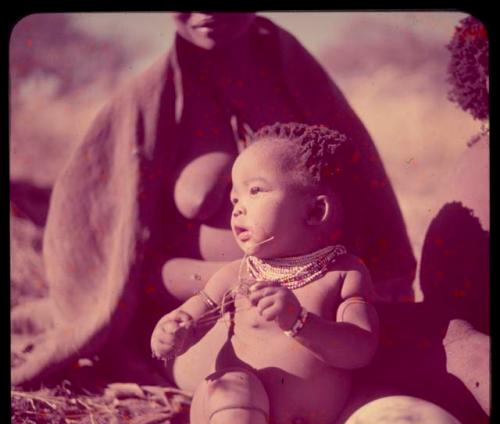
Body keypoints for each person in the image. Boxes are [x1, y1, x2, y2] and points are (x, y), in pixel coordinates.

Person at [11, 14, 416, 392]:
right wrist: (219, 294)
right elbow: (100, 221)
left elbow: (362, 187)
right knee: (234, 391)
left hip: (315, 298)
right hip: (203, 300)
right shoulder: (149, 100)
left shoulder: (296, 79)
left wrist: (322, 285)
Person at [150, 122, 486, 424]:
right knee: (231, 386)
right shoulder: (235, 275)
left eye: (255, 191)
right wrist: (171, 334)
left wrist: (299, 321)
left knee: (383, 410)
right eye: (235, 199)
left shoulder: (344, 274)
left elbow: (360, 349)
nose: (238, 209)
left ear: (315, 212)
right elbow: (193, 318)